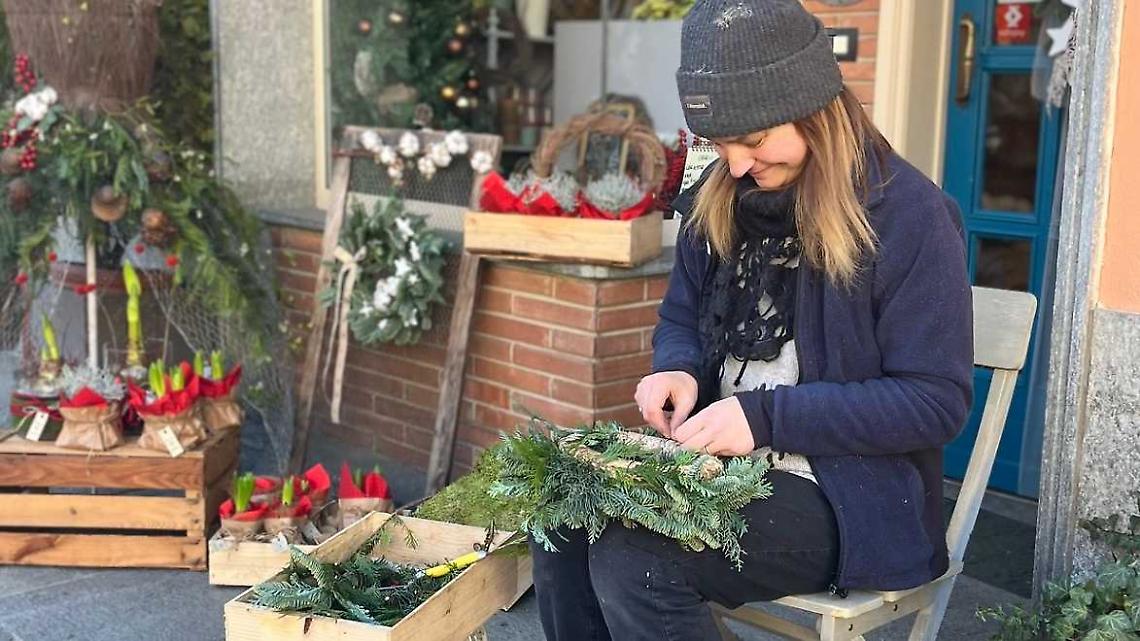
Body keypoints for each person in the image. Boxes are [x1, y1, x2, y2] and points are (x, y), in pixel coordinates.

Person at [527, 1, 974, 640]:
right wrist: (675, 368)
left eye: (755, 140)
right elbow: (681, 312)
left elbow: (934, 403)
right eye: (720, 143)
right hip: (719, 465)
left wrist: (763, 418)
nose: (736, 166)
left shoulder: (907, 215)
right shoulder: (724, 200)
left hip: (846, 490)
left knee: (638, 562)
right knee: (566, 521)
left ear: (814, 109)